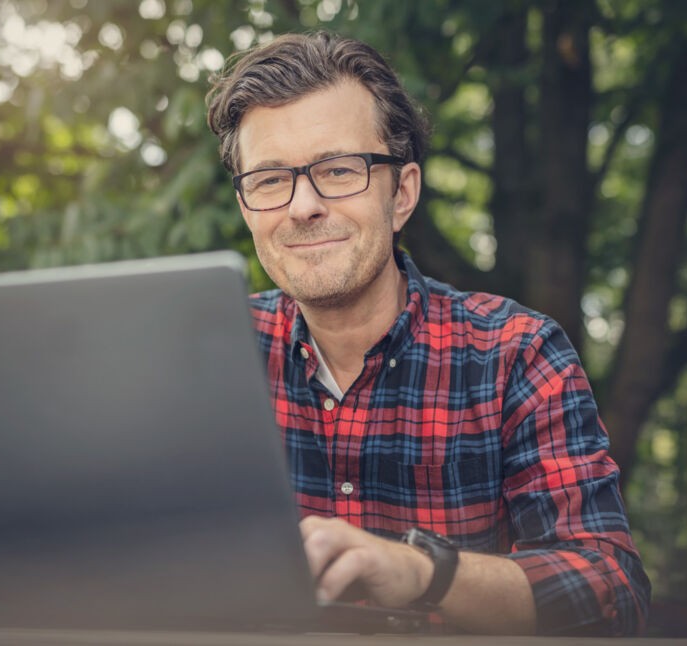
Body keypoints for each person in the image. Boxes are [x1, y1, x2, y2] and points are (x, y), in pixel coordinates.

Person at [206, 31, 650, 636]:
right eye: (268, 180)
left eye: (338, 170)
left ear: (402, 194)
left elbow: (610, 590)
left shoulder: (517, 353)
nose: (301, 206)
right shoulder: (205, 355)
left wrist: (423, 572)